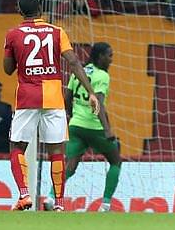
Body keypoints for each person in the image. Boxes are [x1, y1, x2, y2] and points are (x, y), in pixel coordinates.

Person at [3, 0, 99, 211]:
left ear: (19, 11)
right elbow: (73, 61)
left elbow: (8, 69)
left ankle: (24, 195)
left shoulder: (13, 34)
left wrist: (16, 53)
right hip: (54, 97)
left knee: (17, 146)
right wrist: (91, 92)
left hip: (27, 97)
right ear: (40, 9)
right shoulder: (57, 31)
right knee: (56, 150)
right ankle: (59, 203)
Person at [47, 42, 121, 212]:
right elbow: (98, 102)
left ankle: (51, 197)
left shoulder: (78, 72)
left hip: (76, 125)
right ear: (100, 56)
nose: (111, 59)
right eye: (109, 55)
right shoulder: (102, 75)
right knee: (115, 161)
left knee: (70, 165)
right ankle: (105, 205)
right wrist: (107, 129)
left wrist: (72, 117)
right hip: (94, 127)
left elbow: (67, 98)